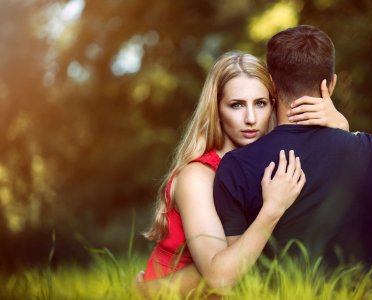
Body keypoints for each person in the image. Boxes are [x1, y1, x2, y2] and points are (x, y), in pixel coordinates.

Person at [213, 25, 372, 279]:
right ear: (330, 85)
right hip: (363, 291)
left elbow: (236, 275)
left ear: (271, 85)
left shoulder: (235, 165)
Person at [137, 51, 349, 295]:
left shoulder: (274, 161)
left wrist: (341, 130)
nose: (250, 119)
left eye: (260, 103)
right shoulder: (197, 177)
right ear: (217, 109)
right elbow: (218, 277)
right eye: (236, 105)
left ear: (273, 104)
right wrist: (147, 293)